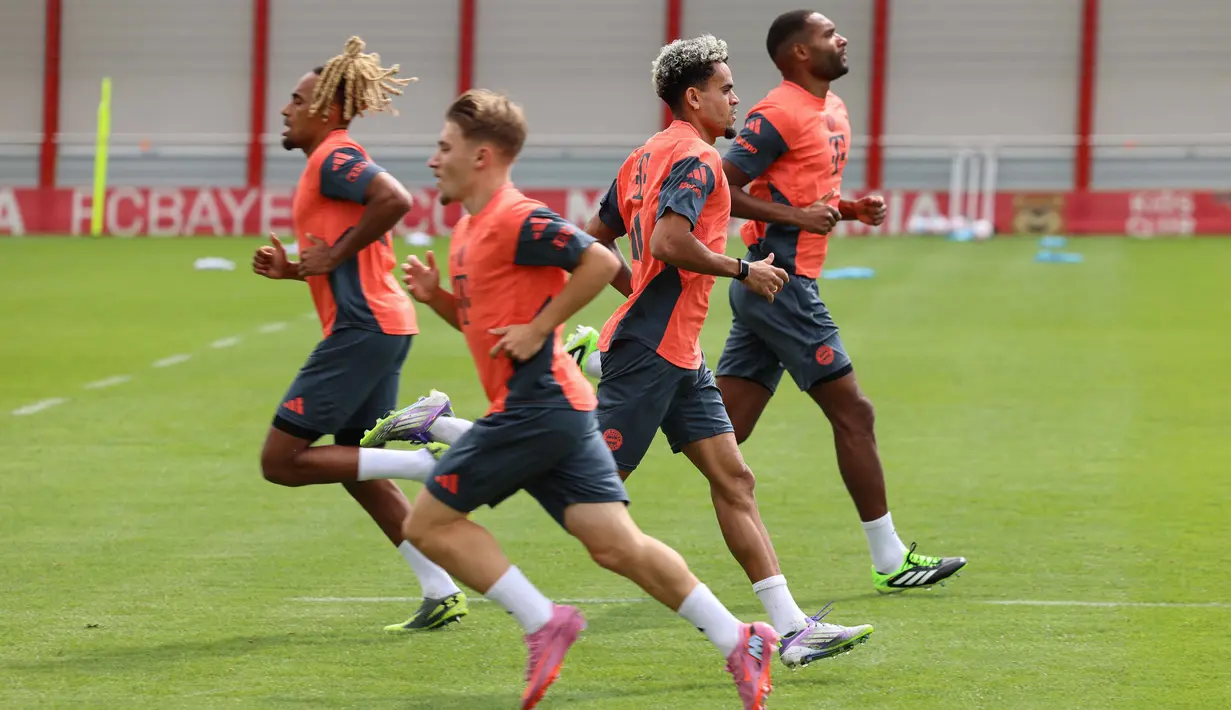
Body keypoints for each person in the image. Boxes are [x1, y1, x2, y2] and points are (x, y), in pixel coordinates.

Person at [367, 35, 873, 671]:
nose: (734, 98)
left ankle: (791, 627)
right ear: (693, 97)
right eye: (724, 88)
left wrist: (628, 294)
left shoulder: (642, 158)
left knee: (734, 479)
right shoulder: (697, 158)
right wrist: (742, 270)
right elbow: (667, 241)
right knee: (583, 488)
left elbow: (598, 239)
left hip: (676, 349)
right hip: (654, 352)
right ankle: (442, 427)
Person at [393, 87, 778, 710]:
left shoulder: (515, 217)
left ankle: (544, 621)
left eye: (444, 147)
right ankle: (743, 639)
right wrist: (438, 298)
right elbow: (484, 327)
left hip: (534, 406)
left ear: (483, 155)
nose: (434, 159)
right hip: (560, 409)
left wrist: (543, 326)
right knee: (616, 546)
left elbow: (598, 260)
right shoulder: (467, 231)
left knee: (428, 523)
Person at [563, 11, 968, 593]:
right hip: (779, 283)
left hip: (737, 302)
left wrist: (842, 210)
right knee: (853, 412)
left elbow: (611, 234)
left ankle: (789, 621)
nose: (843, 38)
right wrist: (764, 248)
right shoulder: (767, 118)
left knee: (732, 448)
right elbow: (718, 186)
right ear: (799, 52)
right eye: (829, 34)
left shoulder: (830, 111)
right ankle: (890, 559)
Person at [251, 36, 469, 633]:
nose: (285, 110)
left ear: (325, 110)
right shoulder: (324, 162)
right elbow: (347, 255)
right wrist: (297, 268)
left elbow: (393, 197)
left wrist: (333, 254)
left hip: (363, 327)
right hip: (382, 324)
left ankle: (427, 465)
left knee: (282, 461)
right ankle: (439, 587)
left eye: (295, 100)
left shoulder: (333, 156)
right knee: (357, 469)